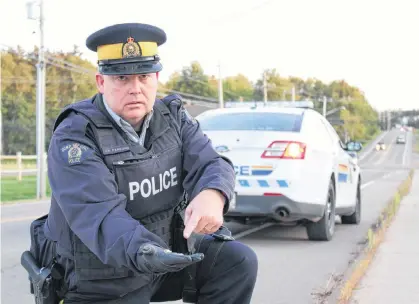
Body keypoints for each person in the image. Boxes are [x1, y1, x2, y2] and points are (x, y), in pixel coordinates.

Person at [22, 23, 258, 304]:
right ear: (101, 81)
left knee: (236, 261)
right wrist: (145, 251)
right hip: (101, 278)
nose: (135, 89)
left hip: (162, 259)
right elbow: (99, 215)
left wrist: (213, 193)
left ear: (156, 78)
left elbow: (211, 163)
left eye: (144, 76)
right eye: (122, 78)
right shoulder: (75, 135)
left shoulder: (173, 117)